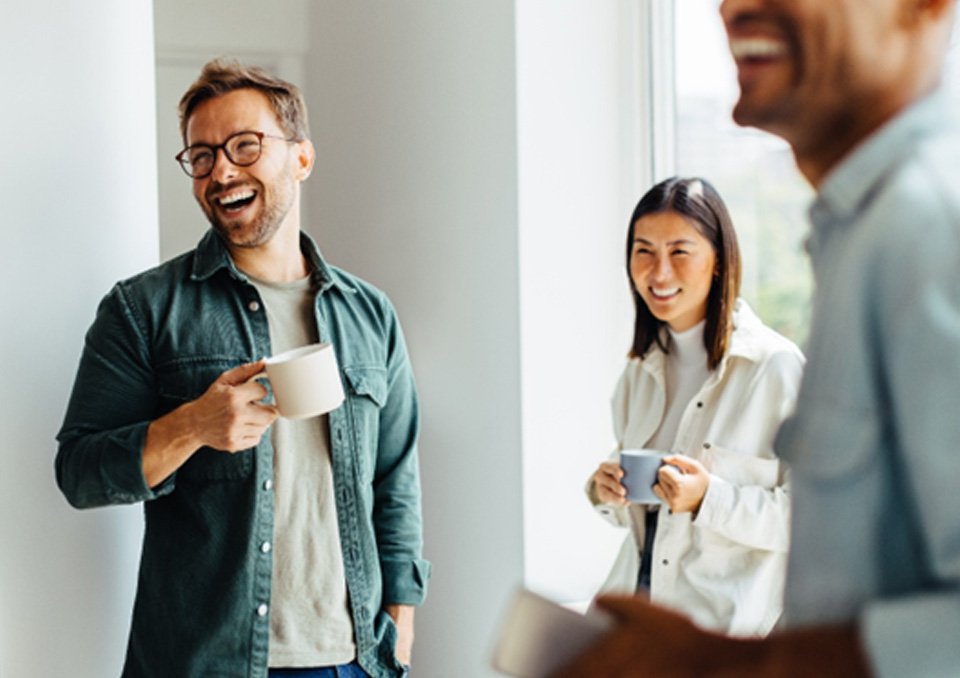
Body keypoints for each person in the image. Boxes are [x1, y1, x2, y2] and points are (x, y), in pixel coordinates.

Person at [552, 0, 960, 675]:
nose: (732, 5)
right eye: (643, 250)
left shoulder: (931, 234)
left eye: (681, 251)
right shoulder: (863, 236)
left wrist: (725, 665)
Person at [55, 59, 430, 678]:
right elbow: (79, 473)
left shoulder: (371, 315)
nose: (221, 170)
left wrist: (402, 625)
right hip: (203, 663)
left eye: (245, 146)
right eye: (200, 156)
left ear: (301, 158)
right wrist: (192, 426)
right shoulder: (143, 309)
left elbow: (395, 483)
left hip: (353, 659)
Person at [586, 177, 803, 637]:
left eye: (679, 252)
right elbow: (649, 523)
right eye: (643, 251)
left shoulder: (774, 368)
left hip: (722, 641)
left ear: (719, 261)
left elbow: (814, 521)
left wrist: (710, 498)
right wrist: (606, 492)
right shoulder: (638, 374)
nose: (658, 273)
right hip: (637, 624)